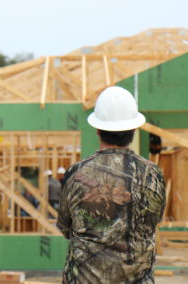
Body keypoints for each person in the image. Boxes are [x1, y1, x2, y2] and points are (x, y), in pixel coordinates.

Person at [57, 86, 166, 283]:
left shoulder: (76, 174)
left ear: (98, 129)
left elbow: (65, 227)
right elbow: (153, 221)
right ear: (133, 129)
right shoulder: (153, 174)